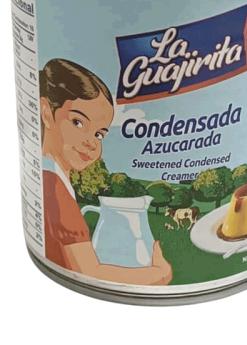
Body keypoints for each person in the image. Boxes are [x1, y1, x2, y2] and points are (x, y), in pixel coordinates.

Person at [39, 58, 172, 285]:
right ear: (46, 112)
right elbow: (91, 274)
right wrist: (160, 275)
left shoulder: (51, 178)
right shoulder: (55, 187)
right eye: (78, 122)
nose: (91, 143)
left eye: (99, 134)